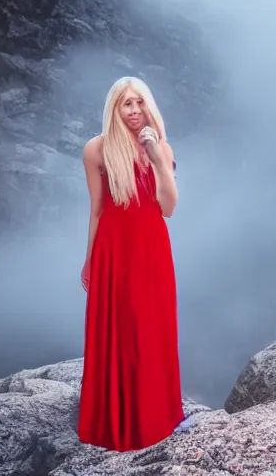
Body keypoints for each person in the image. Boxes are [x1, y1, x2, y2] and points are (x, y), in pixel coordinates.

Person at [77, 76, 185, 451]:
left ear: (149, 105)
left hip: (151, 251)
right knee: (117, 330)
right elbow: (96, 209)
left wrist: (156, 158)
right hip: (112, 250)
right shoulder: (97, 149)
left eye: (139, 102)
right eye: (126, 104)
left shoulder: (162, 148)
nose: (134, 110)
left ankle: (154, 417)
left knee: (150, 328)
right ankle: (112, 420)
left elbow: (168, 208)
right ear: (114, 109)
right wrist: (90, 260)